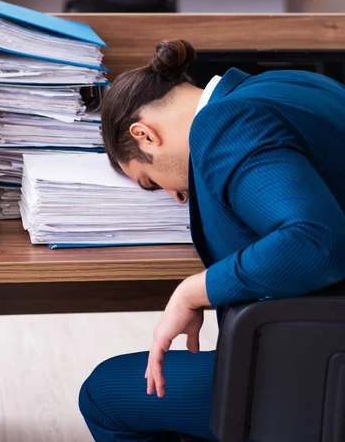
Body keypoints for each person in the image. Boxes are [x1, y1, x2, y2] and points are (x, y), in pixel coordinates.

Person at [79, 39, 345, 441]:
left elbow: (314, 242)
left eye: (151, 183)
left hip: (322, 362)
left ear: (145, 134)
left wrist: (193, 291)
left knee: (104, 394)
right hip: (326, 340)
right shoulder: (292, 83)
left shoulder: (225, 126)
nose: (175, 196)